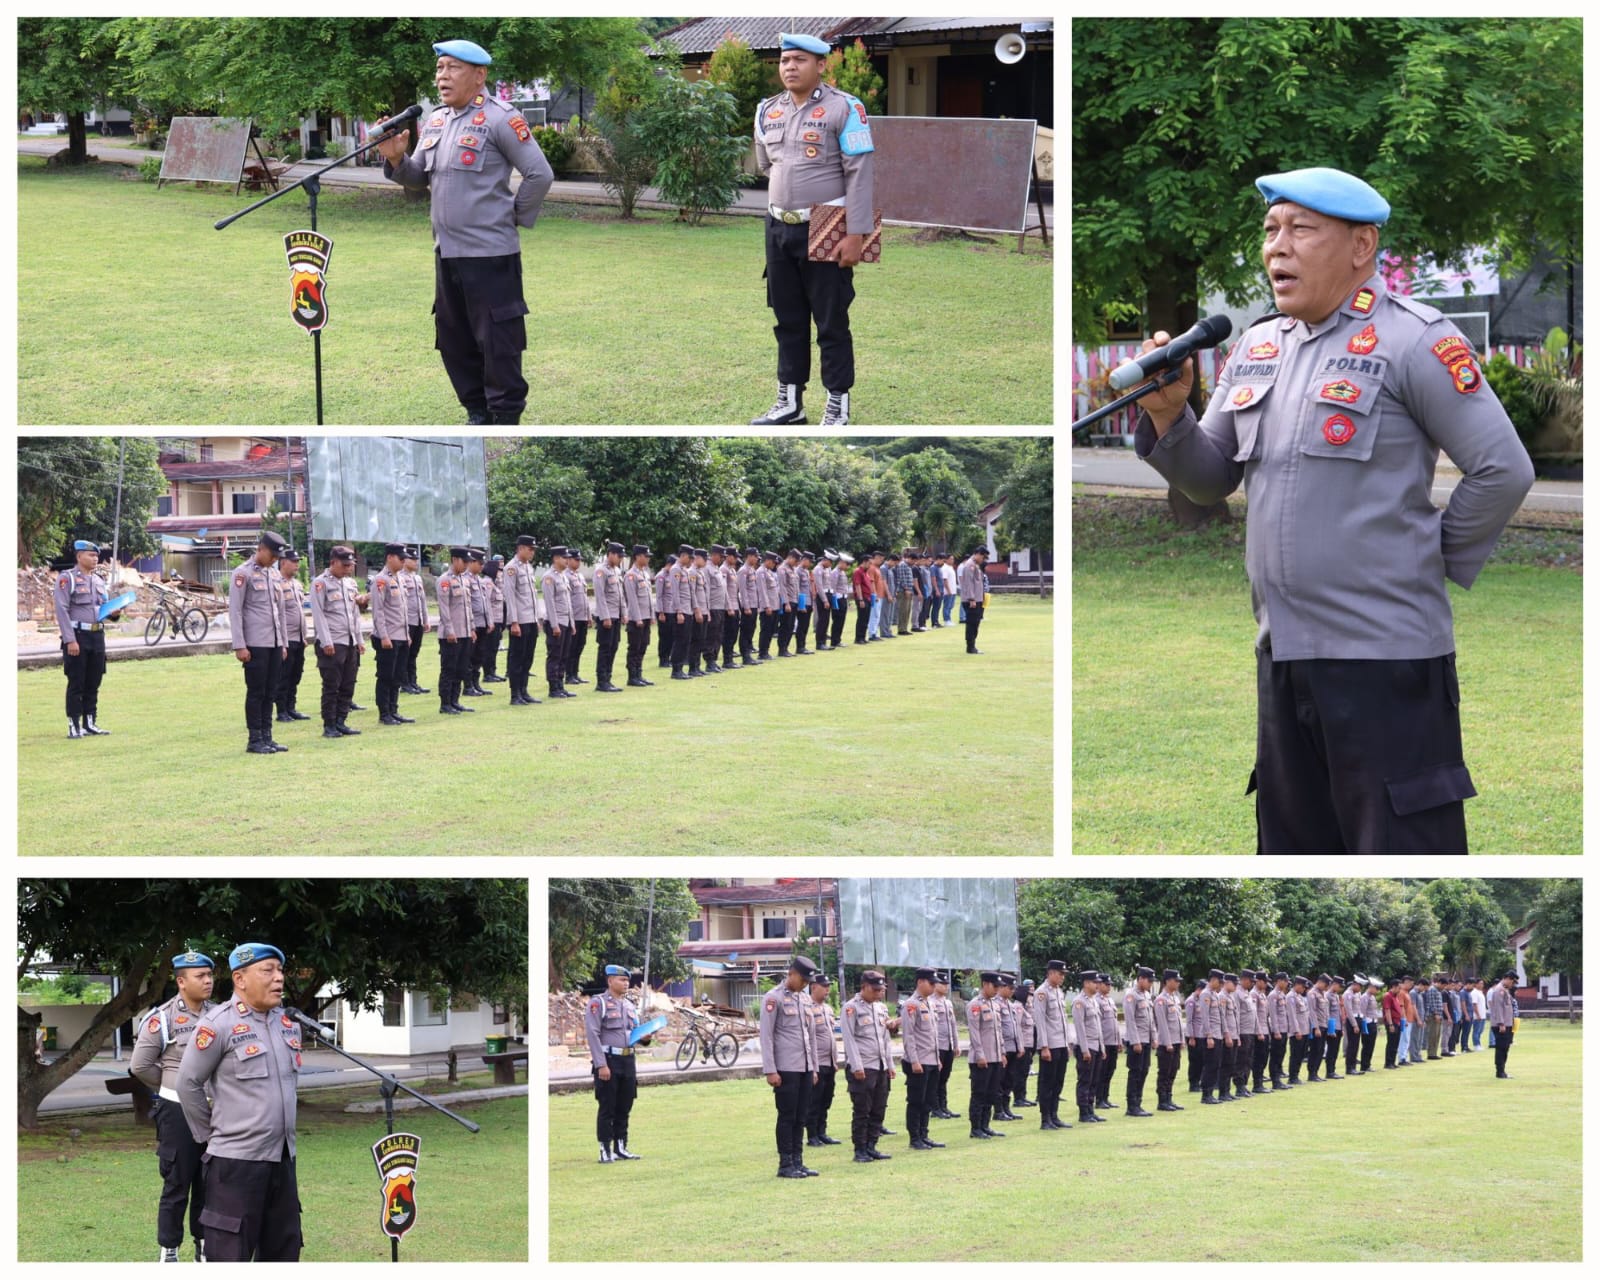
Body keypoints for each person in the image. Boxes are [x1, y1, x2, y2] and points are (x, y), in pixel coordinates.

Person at [1134, 167, 1534, 854]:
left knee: (1403, 851)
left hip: (1387, 662)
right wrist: (1171, 416)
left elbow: (1503, 469)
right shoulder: (1258, 346)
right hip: (1282, 659)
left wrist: (1424, 561)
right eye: (1270, 230)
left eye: (1301, 229)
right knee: (1293, 852)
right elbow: (1209, 480)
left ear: (1361, 245)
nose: (1277, 247)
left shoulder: (1416, 340)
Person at [376, 39, 555, 425]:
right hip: (447, 254)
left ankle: (504, 419)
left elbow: (539, 174)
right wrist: (396, 158)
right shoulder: (436, 120)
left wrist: (512, 217)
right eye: (439, 68)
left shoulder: (501, 118)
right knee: (454, 342)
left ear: (479, 75)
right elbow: (417, 178)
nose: (442, 76)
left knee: (498, 344)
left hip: (491, 256)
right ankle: (477, 414)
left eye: (453, 68)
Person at [748, 31, 875, 428]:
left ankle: (837, 405)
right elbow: (767, 165)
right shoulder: (767, 110)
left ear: (821, 65)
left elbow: (859, 174)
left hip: (826, 226)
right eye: (785, 61)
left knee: (831, 321)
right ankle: (790, 403)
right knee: (787, 318)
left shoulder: (846, 108)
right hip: (778, 226)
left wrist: (856, 233)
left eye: (799, 60)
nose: (790, 67)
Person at [175, 942, 301, 1262]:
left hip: (283, 1159)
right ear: (240, 979)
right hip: (235, 1163)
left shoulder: (287, 1023)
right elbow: (187, 1083)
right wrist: (209, 1137)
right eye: (267, 970)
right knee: (230, 1252)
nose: (279, 978)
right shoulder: (217, 1024)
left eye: (280, 970)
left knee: (283, 1250)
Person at [130, 950, 216, 1262]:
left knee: (210, 1182)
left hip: (215, 1111)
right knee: (177, 1182)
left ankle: (204, 1245)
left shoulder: (220, 1015)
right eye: (200, 976)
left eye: (210, 975)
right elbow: (140, 1066)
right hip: (177, 1111)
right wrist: (173, 1085)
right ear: (181, 981)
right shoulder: (162, 1019)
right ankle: (169, 1248)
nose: (208, 981)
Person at [759, 955, 821, 1179]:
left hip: (805, 1067)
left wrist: (814, 1067)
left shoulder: (804, 1000)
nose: (805, 984)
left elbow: (811, 1036)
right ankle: (785, 1164)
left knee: (801, 1116)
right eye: (802, 980)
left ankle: (798, 1161)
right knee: (787, 1116)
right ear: (791, 974)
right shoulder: (773, 998)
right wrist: (770, 1070)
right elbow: (766, 1036)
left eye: (807, 982)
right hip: (785, 1068)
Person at [228, 531, 290, 754]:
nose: (274, 560)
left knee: (270, 691)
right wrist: (239, 645)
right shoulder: (242, 573)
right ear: (261, 549)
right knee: (256, 692)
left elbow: (280, 611)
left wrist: (283, 642)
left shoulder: (274, 574)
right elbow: (235, 611)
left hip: (274, 643)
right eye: (272, 555)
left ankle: (267, 736)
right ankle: (254, 739)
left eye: (277, 557)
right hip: (255, 643)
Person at [53, 539, 120, 739]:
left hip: (97, 635)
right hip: (78, 636)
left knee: (94, 681)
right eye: (91, 555)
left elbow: (103, 608)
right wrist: (70, 640)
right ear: (79, 556)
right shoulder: (67, 578)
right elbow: (62, 610)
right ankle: (74, 725)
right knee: (77, 682)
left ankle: (90, 723)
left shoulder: (99, 581)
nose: (95, 558)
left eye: (96, 555)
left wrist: (114, 614)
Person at [584, 965, 645, 1164]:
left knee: (625, 1106)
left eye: (627, 980)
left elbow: (635, 1033)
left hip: (628, 1060)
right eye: (622, 980)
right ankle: (605, 1149)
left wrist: (646, 1037)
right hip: (609, 1060)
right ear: (610, 981)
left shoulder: (630, 1006)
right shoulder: (598, 1003)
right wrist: (601, 1064)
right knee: (607, 1107)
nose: (626, 983)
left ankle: (621, 1147)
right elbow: (593, 1034)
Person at [309, 545, 366, 739]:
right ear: (333, 562)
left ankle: (341, 721)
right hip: (333, 641)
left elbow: (354, 614)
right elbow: (318, 614)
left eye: (350, 565)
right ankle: (329, 725)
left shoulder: (350, 584)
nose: (348, 568)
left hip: (349, 641)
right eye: (344, 565)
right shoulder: (321, 583)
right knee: (332, 686)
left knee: (348, 684)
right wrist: (326, 641)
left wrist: (359, 639)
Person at [841, 971, 896, 1162]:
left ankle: (872, 1146)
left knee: (879, 1109)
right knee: (862, 1110)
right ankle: (860, 1149)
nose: (879, 993)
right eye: (875, 989)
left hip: (880, 1066)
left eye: (881, 990)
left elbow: (885, 1039)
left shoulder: (880, 1008)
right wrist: (857, 1066)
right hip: (863, 1067)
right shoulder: (851, 1008)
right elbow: (849, 1039)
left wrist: (889, 1064)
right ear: (864, 987)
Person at [898, 968, 944, 1151]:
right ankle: (915, 1138)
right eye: (931, 983)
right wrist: (914, 1060)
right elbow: (908, 1035)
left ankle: (924, 1135)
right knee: (916, 1101)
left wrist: (937, 1058)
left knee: (928, 1101)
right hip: (918, 1061)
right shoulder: (911, 1004)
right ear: (920, 982)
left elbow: (932, 1035)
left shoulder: (930, 1003)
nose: (934, 987)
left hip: (931, 1060)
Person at [369, 543, 414, 727]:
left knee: (398, 676)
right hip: (388, 637)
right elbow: (378, 611)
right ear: (389, 557)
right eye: (400, 558)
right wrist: (384, 636)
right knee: (386, 676)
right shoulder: (381, 580)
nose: (404, 561)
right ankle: (384, 713)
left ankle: (394, 710)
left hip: (401, 635)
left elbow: (402, 610)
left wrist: (407, 634)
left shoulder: (400, 579)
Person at [435, 546, 476, 714]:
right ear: (454, 560)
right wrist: (449, 630)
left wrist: (472, 627)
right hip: (450, 634)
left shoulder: (464, 580)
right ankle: (445, 703)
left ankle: (455, 700)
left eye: (468, 562)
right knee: (449, 669)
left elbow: (468, 607)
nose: (466, 565)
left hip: (464, 632)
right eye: (464, 561)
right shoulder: (444, 580)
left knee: (461, 668)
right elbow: (444, 608)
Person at [1032, 959, 1071, 1130]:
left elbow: (1063, 1020)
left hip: (1061, 1043)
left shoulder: (1058, 992)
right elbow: (1040, 1021)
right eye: (1060, 974)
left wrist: (1067, 1043)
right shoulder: (1042, 993)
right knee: (1047, 1083)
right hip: (1050, 1045)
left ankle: (1054, 1116)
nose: (1063, 977)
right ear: (1051, 973)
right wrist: (1044, 1046)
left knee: (1058, 1082)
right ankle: (1045, 1118)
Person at [502, 535, 542, 705]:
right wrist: (514, 622)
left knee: (528, 658)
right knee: (517, 658)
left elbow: (532, 596)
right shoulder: (511, 568)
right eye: (530, 549)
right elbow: (510, 596)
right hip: (520, 620)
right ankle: (515, 694)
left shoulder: (528, 567)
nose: (532, 552)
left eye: (533, 549)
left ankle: (524, 691)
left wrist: (537, 618)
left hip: (530, 619)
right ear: (520, 548)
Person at [273, 549, 311, 726]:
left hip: (298, 638)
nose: (297, 565)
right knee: (284, 676)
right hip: (286, 638)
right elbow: (276, 614)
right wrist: (281, 642)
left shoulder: (296, 584)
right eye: (293, 562)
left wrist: (304, 635)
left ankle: (291, 707)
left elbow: (299, 611)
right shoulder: (276, 583)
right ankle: (281, 710)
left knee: (296, 674)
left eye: (297, 561)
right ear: (283, 563)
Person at [966, 971, 1006, 1139]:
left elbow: (998, 1031)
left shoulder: (995, 1004)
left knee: (991, 1093)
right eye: (994, 986)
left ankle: (985, 1125)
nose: (997, 989)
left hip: (995, 1056)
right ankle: (976, 1128)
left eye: (998, 986)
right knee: (979, 1094)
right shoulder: (975, 1005)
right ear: (985, 984)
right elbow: (974, 1033)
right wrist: (980, 1055)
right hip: (981, 1059)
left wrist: (1002, 1052)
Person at [804, 971, 841, 1148]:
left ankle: (822, 1132)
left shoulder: (827, 1009)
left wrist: (835, 1061)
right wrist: (812, 1066)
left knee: (826, 1099)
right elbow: (807, 1039)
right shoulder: (807, 1008)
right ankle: (812, 1135)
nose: (827, 990)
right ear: (813, 987)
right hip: (817, 1063)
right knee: (814, 1101)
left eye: (828, 987)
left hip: (829, 1063)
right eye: (824, 987)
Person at [1070, 970, 1105, 1123]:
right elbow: (1080, 1028)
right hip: (1087, 1047)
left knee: (1094, 1080)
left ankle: (1091, 1109)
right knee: (1085, 1080)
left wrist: (1102, 1047)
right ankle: (1083, 1112)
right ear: (1086, 983)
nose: (1097, 985)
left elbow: (1098, 1026)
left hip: (1096, 1046)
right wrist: (1085, 1050)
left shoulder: (1093, 1001)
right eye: (1094, 982)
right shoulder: (1079, 1002)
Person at [542, 546, 577, 698]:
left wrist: (572, 623)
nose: (567, 560)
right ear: (556, 558)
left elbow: (568, 602)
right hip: (556, 623)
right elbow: (550, 603)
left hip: (566, 621)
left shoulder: (563, 576)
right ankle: (553, 687)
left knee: (564, 655)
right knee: (555, 655)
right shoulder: (549, 577)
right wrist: (554, 625)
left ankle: (560, 685)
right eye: (564, 558)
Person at [591, 541, 626, 693]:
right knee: (605, 648)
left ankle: (608, 678)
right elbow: (600, 596)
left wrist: (624, 613)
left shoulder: (616, 571)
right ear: (610, 554)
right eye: (619, 556)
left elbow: (620, 595)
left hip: (616, 615)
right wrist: (605, 617)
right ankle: (601, 681)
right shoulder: (601, 571)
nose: (621, 559)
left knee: (613, 647)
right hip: (607, 617)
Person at [1122, 966, 1155, 1116]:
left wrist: (1154, 1037)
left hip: (1146, 1040)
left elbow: (1150, 1020)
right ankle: (1131, 1106)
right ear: (1140, 979)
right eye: (1149, 981)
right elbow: (1130, 1020)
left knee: (1144, 1071)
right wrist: (1135, 1041)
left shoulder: (1147, 995)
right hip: (1137, 1041)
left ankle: (1138, 1103)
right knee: (1135, 1072)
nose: (1151, 984)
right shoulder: (1131, 995)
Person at [622, 545, 656, 689]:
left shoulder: (645, 574)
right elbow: (632, 599)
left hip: (646, 616)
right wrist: (637, 618)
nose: (648, 559)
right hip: (637, 619)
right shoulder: (631, 575)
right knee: (634, 647)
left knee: (643, 646)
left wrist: (652, 615)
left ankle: (639, 674)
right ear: (637, 557)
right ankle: (632, 676)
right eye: (646, 556)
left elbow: (649, 597)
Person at [1152, 968, 1185, 1112]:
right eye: (1176, 981)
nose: (1178, 983)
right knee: (1164, 1072)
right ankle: (1162, 1101)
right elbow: (1162, 1023)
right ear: (1168, 981)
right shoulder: (1161, 1000)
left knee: (1173, 1070)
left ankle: (1169, 1098)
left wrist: (1181, 1040)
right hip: (1167, 1043)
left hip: (1176, 1041)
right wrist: (1167, 1042)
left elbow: (1178, 1022)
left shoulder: (1174, 998)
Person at [399, 548, 431, 696]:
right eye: (413, 559)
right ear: (405, 560)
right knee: (405, 654)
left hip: (417, 620)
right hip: (408, 621)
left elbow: (422, 600)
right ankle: (405, 683)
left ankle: (413, 682)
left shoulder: (417, 578)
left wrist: (425, 619)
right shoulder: (400, 577)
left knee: (414, 654)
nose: (416, 562)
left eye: (417, 559)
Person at [929, 971, 960, 1121]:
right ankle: (935, 1108)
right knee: (936, 1078)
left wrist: (956, 1044)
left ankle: (943, 1106)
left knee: (944, 1078)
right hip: (938, 1045)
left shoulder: (947, 1002)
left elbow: (953, 1024)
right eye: (943, 984)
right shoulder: (931, 1002)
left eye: (947, 984)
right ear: (935, 985)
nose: (946, 986)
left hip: (948, 1045)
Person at [462, 550, 493, 697]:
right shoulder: (465, 579)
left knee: (479, 656)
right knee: (470, 656)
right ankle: (468, 686)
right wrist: (471, 626)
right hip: (473, 624)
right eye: (480, 563)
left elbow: (486, 602)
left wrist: (490, 621)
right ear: (472, 562)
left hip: (483, 623)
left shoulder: (480, 580)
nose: (482, 567)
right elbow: (467, 605)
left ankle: (476, 683)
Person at [991, 973, 1020, 1121]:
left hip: (1013, 1047)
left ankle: (1006, 1107)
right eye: (1010, 988)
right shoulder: (995, 1003)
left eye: (1013, 988)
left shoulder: (1010, 1004)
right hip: (1002, 1048)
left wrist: (1020, 1046)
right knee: (999, 1081)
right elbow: (997, 1029)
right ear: (1002, 987)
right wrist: (1001, 1050)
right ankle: (998, 1110)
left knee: (1010, 1079)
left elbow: (1016, 1027)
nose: (1012, 991)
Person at [564, 551, 592, 686]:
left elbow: (584, 597)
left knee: (580, 645)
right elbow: (567, 599)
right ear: (569, 560)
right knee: (571, 647)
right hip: (574, 617)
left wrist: (589, 615)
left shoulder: (580, 576)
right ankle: (569, 675)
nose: (578, 562)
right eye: (576, 560)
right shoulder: (566, 575)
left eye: (579, 560)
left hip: (583, 616)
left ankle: (575, 673)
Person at [1094, 972, 1122, 1110]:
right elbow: (1098, 1024)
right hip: (1104, 1042)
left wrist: (1119, 1041)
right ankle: (1099, 1099)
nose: (1109, 987)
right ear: (1099, 985)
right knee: (1102, 1071)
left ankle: (1105, 1097)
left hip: (1113, 1041)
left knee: (1110, 1070)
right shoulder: (1096, 1001)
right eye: (1106, 984)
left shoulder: (1110, 1000)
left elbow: (1115, 1022)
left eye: (1110, 984)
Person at [1011, 978, 1037, 1109]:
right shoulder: (1018, 1008)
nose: (1030, 997)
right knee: (1020, 1073)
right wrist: (1020, 1046)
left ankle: (1023, 1096)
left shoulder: (1024, 1007)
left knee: (1025, 1072)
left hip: (1028, 1045)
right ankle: (1018, 1098)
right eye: (1028, 995)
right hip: (1023, 1045)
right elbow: (1017, 1028)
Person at [958, 547, 989, 654]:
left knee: (975, 623)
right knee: (972, 623)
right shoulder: (970, 565)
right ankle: (970, 647)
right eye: (983, 557)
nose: (983, 560)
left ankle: (972, 646)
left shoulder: (976, 565)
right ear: (978, 554)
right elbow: (969, 583)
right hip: (971, 600)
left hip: (977, 599)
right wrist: (971, 598)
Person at [1488, 970, 1517, 1079]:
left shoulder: (1504, 990)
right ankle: (1500, 1072)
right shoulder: (1499, 990)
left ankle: (1502, 1070)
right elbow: (1498, 1008)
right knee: (1501, 1048)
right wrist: (1501, 1023)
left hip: (1507, 1023)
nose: (1512, 984)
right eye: (1512, 982)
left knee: (1505, 1048)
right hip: (1501, 1025)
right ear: (1508, 978)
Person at [1267, 972, 1292, 1089]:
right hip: (1277, 1031)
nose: (1287, 983)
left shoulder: (1282, 995)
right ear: (1279, 981)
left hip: (1284, 1029)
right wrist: (1276, 1031)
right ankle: (1275, 1080)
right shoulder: (1273, 995)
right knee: (1275, 1056)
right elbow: (1273, 1015)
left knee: (1281, 1054)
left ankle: (1278, 1078)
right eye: (1285, 981)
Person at [756, 551, 782, 661]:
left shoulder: (769, 572)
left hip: (774, 605)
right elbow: (762, 591)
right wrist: (767, 606)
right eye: (773, 562)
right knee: (766, 630)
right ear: (767, 561)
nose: (774, 565)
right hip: (767, 607)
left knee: (771, 630)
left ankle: (766, 651)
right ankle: (762, 652)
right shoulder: (761, 572)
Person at [1185, 977, 1206, 1094]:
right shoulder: (1191, 1001)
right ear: (1199, 989)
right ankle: (1193, 1084)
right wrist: (1191, 1037)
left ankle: (1199, 1082)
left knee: (1202, 1060)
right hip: (1194, 1036)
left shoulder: (1202, 1000)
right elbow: (1189, 1021)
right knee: (1194, 1061)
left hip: (1201, 1035)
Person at [852, 551, 875, 646]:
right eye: (869, 563)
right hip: (862, 598)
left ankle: (862, 637)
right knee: (861, 618)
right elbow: (857, 585)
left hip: (867, 598)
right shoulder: (858, 571)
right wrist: (860, 599)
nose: (870, 565)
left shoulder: (865, 572)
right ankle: (858, 638)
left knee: (866, 618)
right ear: (864, 562)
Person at [1382, 976, 1405, 1070]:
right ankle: (1388, 1063)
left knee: (1395, 1043)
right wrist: (1390, 1024)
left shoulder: (1395, 997)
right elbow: (1387, 1010)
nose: (1400, 990)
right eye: (1399, 988)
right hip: (1392, 1022)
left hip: (1397, 1022)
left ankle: (1392, 1061)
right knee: (1391, 1043)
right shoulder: (1388, 996)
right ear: (1394, 987)